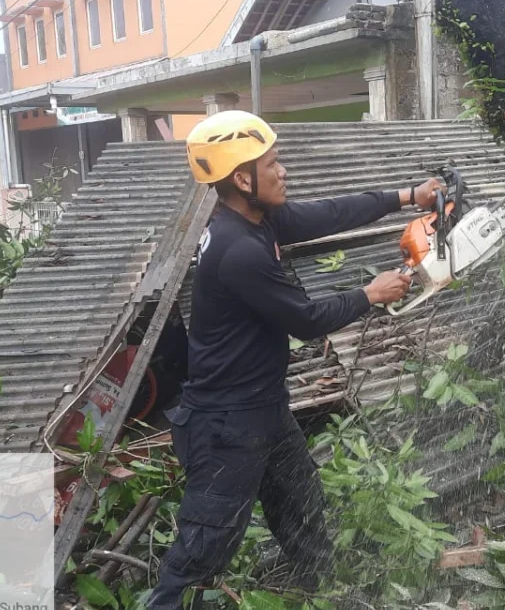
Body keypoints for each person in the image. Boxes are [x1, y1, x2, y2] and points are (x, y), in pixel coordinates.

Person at [147, 111, 443, 610]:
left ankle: (320, 595)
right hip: (226, 426)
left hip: (263, 409)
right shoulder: (238, 250)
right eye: (273, 164)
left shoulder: (252, 218)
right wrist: (369, 294)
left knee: (303, 513)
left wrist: (407, 197)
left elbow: (327, 213)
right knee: (199, 559)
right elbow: (305, 320)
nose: (283, 172)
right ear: (242, 179)